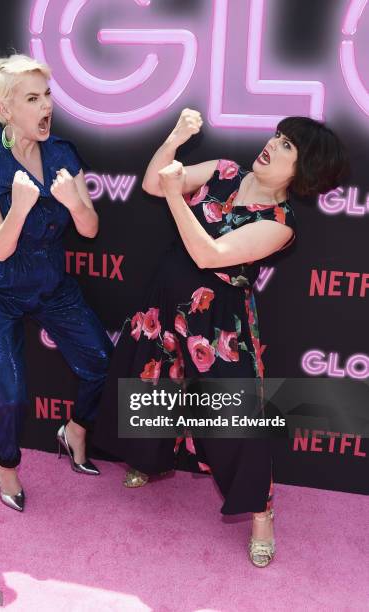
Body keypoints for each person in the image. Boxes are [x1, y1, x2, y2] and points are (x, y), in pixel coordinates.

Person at [93, 109, 348, 567]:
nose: (273, 143)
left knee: (234, 420)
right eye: (278, 135)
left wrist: (176, 196)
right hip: (164, 299)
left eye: (289, 145)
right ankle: (151, 462)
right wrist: (175, 138)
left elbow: (210, 255)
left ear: (302, 170)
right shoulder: (224, 170)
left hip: (217, 323)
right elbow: (154, 182)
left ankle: (261, 513)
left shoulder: (280, 222)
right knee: (151, 386)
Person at [0, 54, 113, 512]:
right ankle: (6, 463)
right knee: (12, 396)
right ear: (6, 110)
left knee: (102, 361)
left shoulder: (63, 153)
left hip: (51, 281)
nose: (46, 106)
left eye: (47, 95)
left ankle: (76, 430)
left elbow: (89, 229)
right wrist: (20, 207)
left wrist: (75, 203)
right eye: (32, 98)